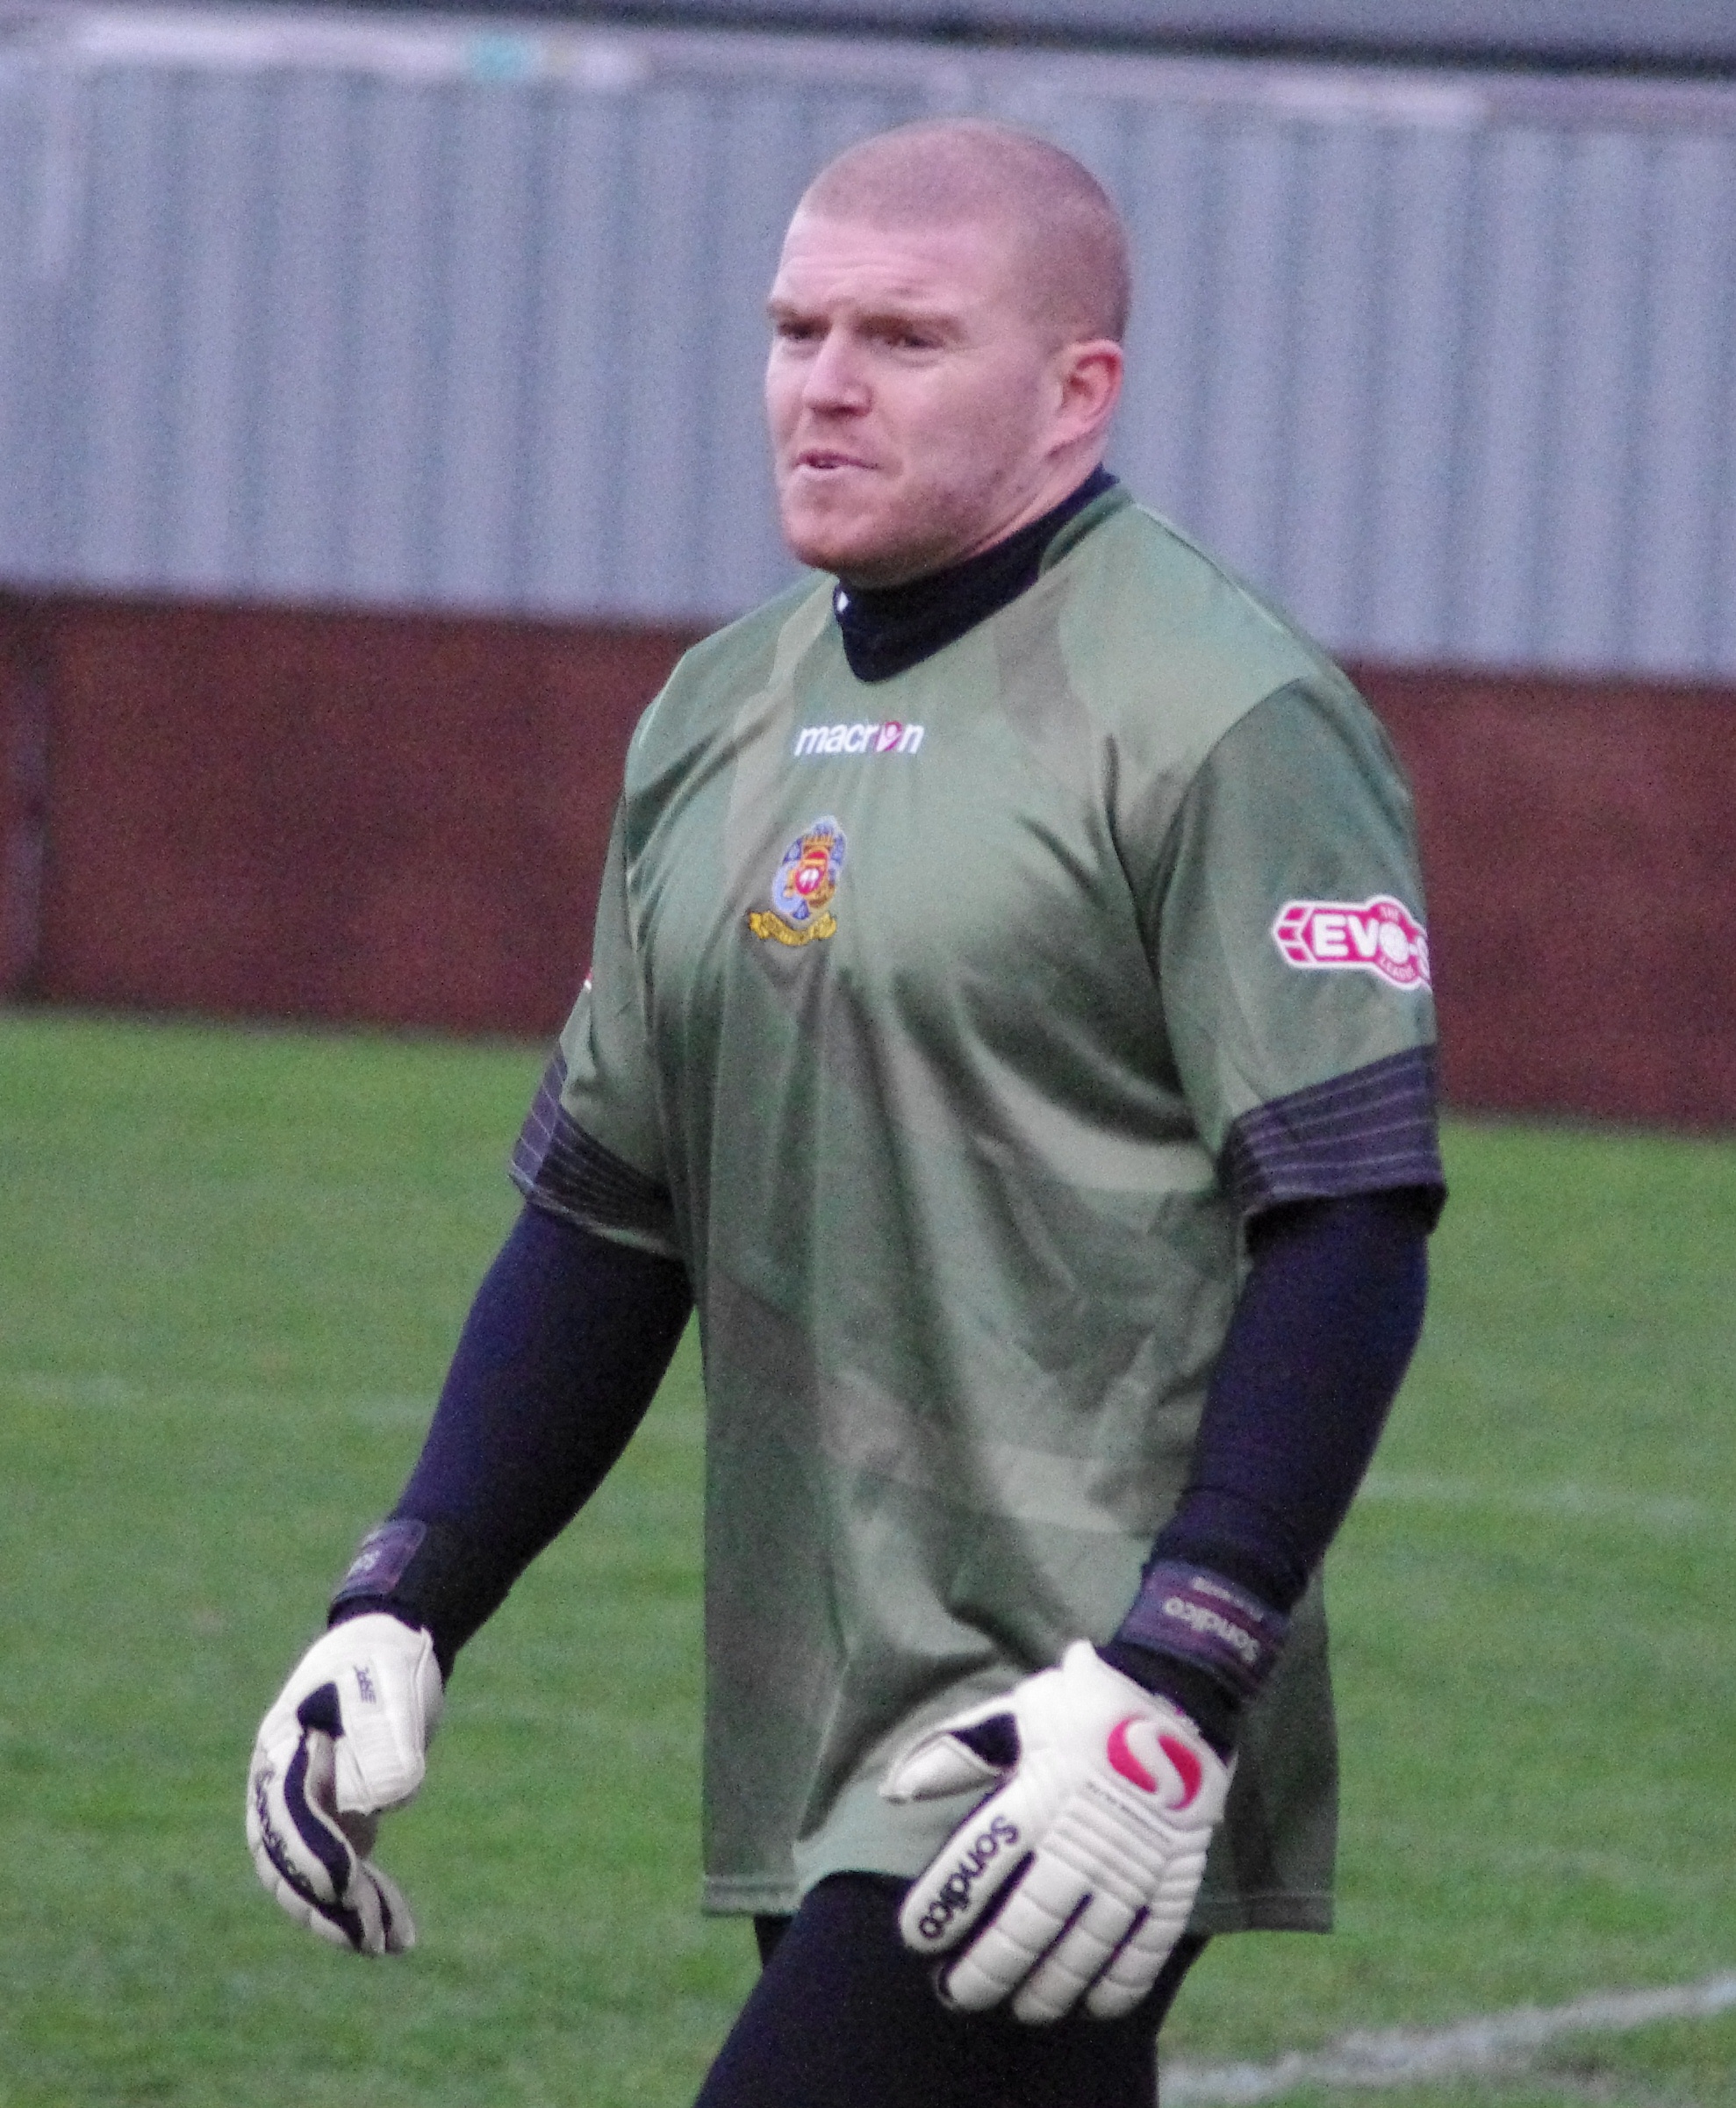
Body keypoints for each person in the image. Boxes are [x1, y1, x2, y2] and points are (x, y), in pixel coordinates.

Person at [247, 118, 1444, 2107]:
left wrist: (1177, 1666)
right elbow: (605, 1216)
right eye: (796, 327)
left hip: (1062, 1716)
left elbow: (1343, 1217)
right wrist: (402, 1598)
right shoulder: (714, 714)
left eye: (902, 336)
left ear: (1077, 389)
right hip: (815, 1701)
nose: (822, 383)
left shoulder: (1224, 712)